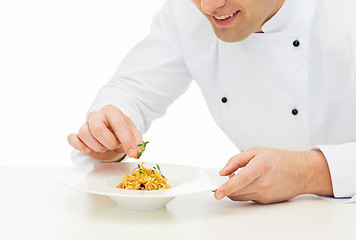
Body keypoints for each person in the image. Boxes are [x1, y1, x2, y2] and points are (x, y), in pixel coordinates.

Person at [67, 0, 356, 204]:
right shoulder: (185, 13)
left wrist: (311, 173)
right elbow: (131, 91)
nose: (208, 6)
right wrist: (109, 131)